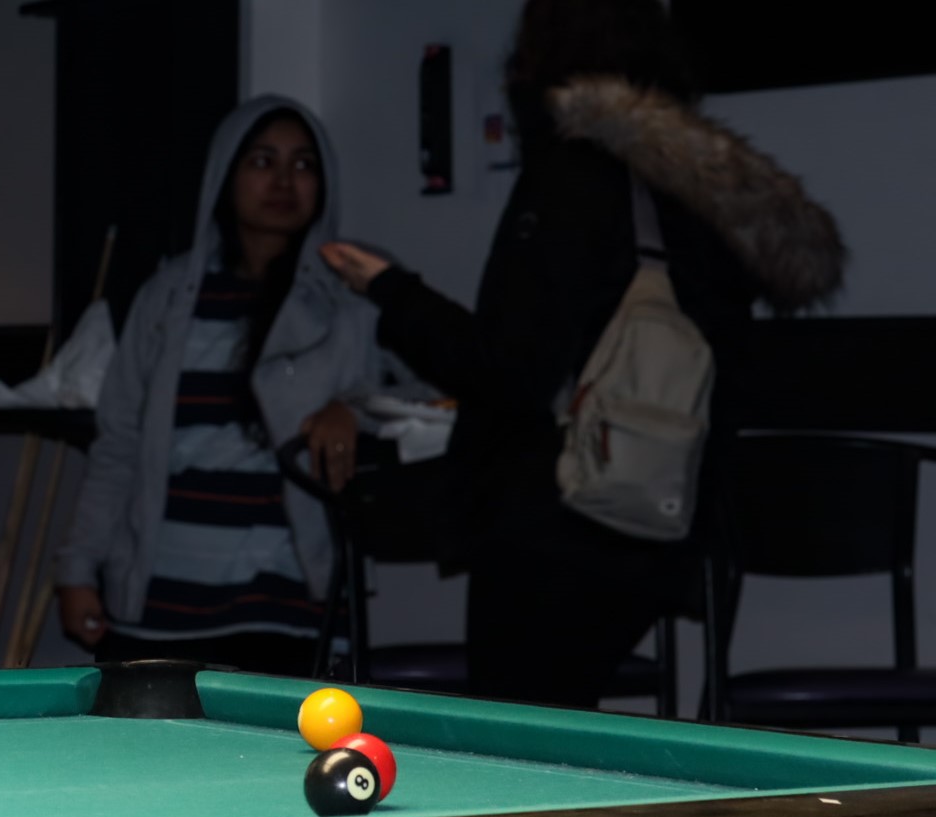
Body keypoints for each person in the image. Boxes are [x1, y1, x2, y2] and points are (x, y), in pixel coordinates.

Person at [319, 0, 842, 707]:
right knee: (574, 745)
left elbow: (508, 368)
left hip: (558, 523)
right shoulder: (697, 199)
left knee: (519, 754)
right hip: (656, 516)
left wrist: (391, 290)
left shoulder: (574, 176)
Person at [54, 97, 413, 675]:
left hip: (288, 601)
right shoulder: (167, 296)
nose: (283, 181)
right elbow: (117, 444)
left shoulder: (355, 294)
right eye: (262, 161)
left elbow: (438, 397)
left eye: (303, 165)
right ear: (225, 175)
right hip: (164, 592)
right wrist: (77, 569)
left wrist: (353, 411)